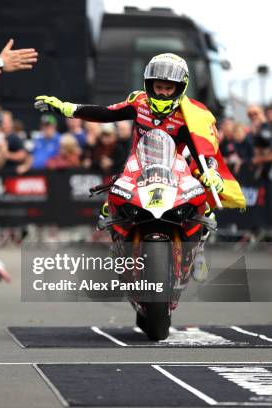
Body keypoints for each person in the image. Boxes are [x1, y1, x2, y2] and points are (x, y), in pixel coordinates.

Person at [35, 53, 246, 280]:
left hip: (176, 169)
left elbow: (204, 152)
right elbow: (106, 113)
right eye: (159, 86)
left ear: (180, 88)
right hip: (138, 166)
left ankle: (198, 252)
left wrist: (211, 172)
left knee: (202, 206)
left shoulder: (190, 115)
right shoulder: (139, 103)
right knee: (109, 206)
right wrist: (67, 108)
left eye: (169, 88)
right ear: (149, 85)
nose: (163, 92)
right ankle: (119, 249)